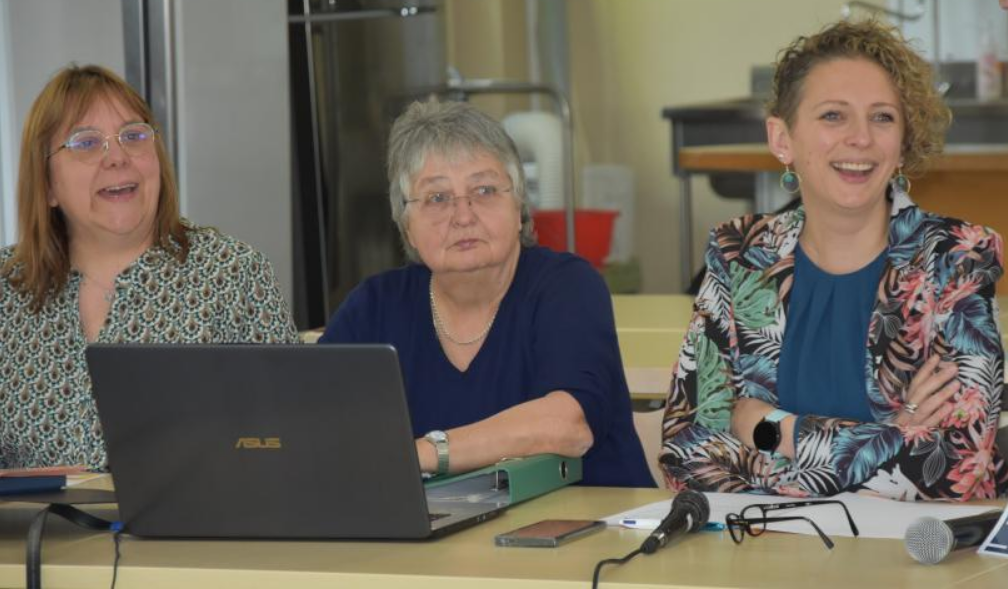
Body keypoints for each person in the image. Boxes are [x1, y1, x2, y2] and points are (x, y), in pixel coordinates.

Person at [660, 20, 1007, 501]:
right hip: (767, 556)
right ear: (783, 139)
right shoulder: (740, 255)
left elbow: (954, 467)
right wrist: (894, 433)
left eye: (883, 117)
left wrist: (769, 428)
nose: (861, 138)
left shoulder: (955, 259)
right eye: (833, 116)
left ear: (903, 142)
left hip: (916, 565)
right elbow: (686, 453)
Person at [319, 99, 653, 487]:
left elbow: (568, 425)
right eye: (437, 198)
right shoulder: (374, 307)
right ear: (406, 224)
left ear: (519, 206)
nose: (463, 216)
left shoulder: (567, 286)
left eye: (484, 190)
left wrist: (423, 454)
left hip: (594, 533)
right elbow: (312, 424)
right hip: (428, 542)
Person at [0, 64, 299, 470]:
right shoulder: (6, 290)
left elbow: (296, 439)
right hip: (30, 534)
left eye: (134, 136)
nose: (118, 157)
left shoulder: (231, 273)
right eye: (86, 143)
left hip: (193, 531)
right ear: (48, 184)